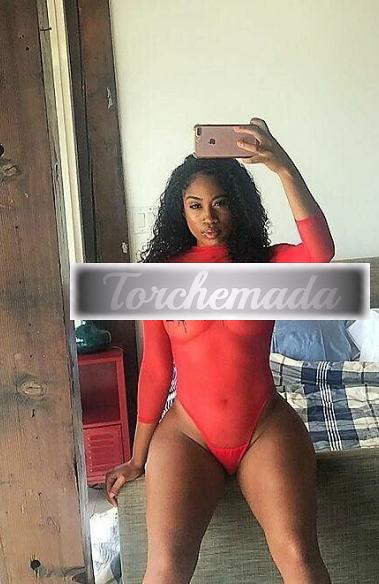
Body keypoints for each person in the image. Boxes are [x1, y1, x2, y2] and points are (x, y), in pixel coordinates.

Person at [104, 118, 335, 584]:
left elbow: (320, 252)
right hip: (188, 434)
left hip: (264, 427)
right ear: (181, 212)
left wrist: (283, 168)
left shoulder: (265, 264)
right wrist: (136, 457)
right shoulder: (162, 275)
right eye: (195, 206)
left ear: (239, 206)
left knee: (297, 554)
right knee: (166, 566)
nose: (208, 217)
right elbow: (156, 370)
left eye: (220, 203)